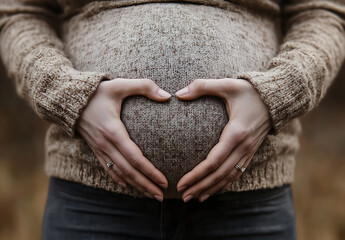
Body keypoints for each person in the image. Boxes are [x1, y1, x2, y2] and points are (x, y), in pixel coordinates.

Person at [1, 0, 345, 239]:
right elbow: (21, 12)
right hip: (93, 200)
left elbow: (322, 12)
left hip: (249, 203)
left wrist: (276, 96)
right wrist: (70, 96)